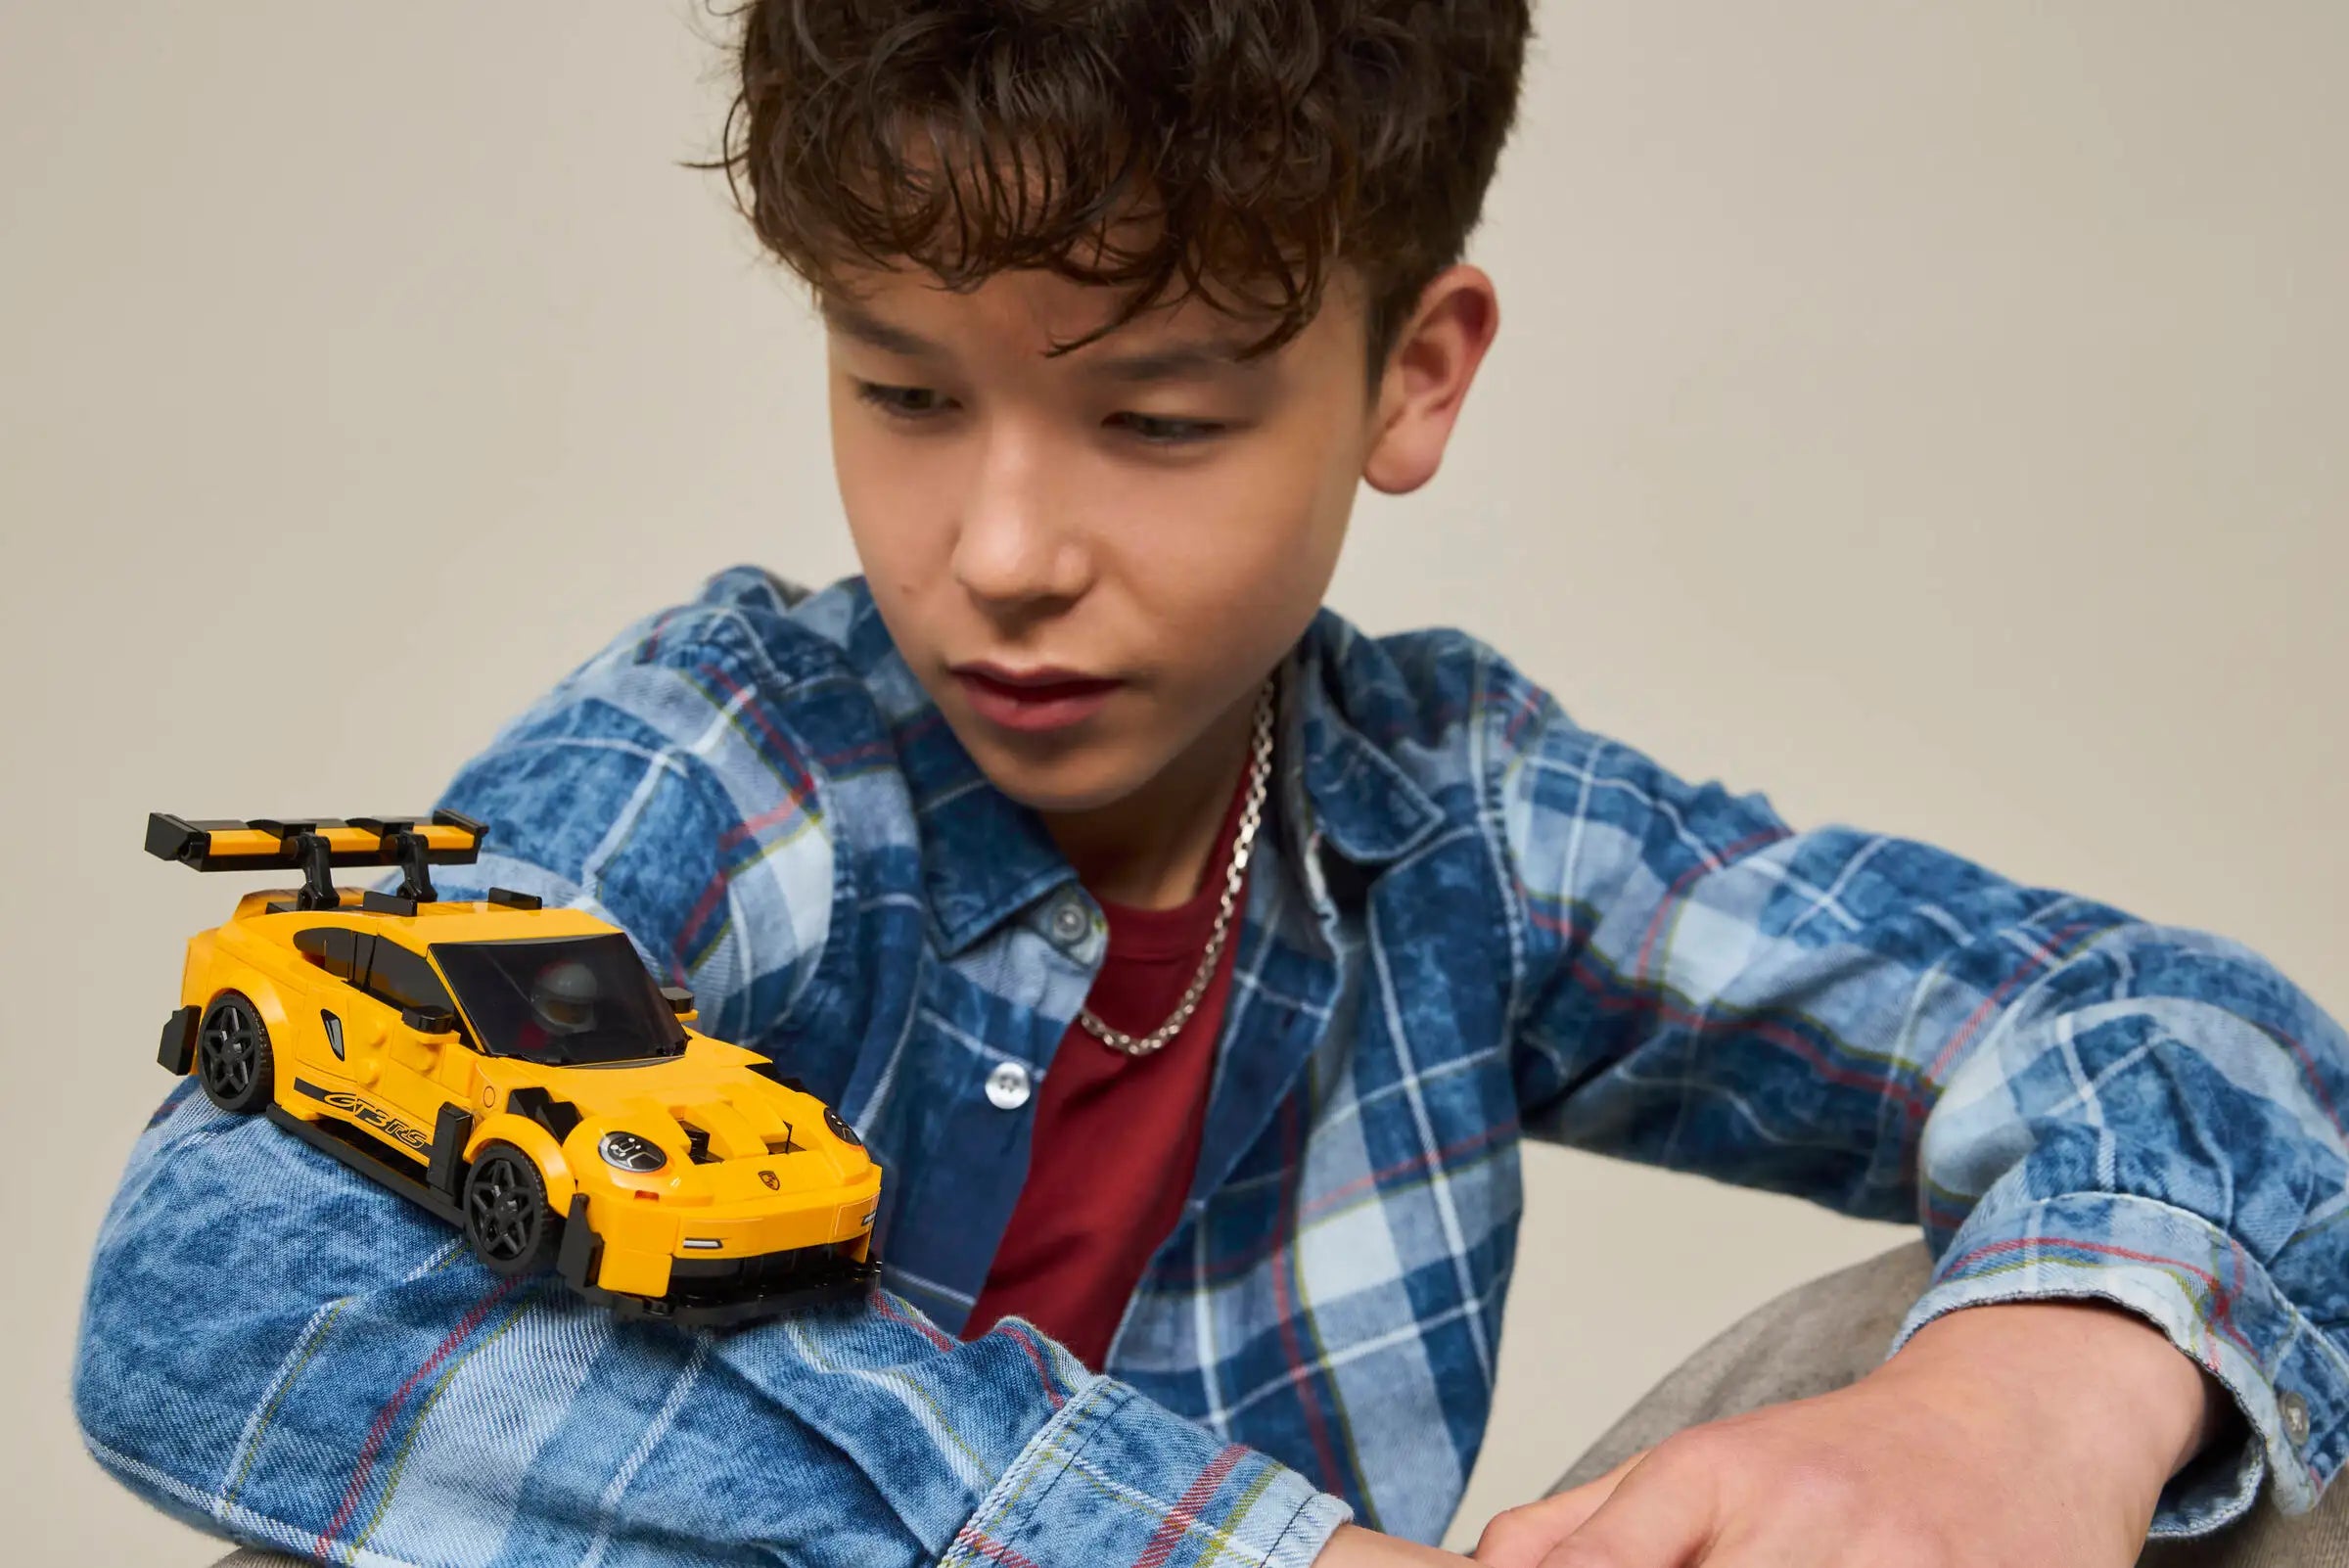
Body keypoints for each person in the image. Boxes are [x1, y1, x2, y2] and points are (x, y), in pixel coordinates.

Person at [76, 4, 2345, 1566]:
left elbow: (2185, 1034)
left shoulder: (1462, 821)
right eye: (903, 389)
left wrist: (2027, 1404)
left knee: (2182, 1369)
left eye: (1156, 422)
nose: (1002, 553)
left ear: (1413, 376)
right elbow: (216, 1291)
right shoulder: (740, 766)